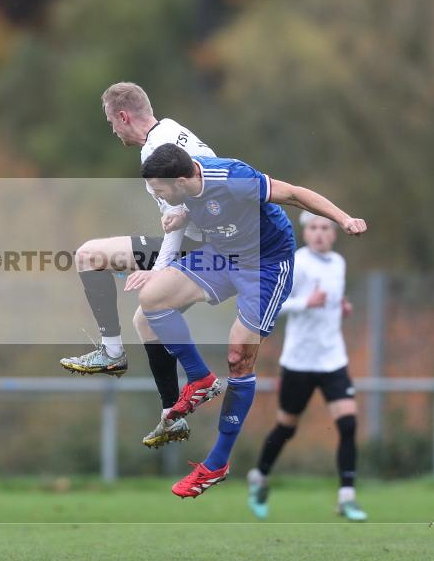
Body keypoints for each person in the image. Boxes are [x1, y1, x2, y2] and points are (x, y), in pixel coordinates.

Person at [137, 143, 367, 498]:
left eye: (160, 190)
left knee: (238, 359)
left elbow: (294, 194)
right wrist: (183, 216)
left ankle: (215, 465)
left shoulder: (233, 177)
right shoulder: (186, 187)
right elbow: (203, 208)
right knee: (152, 298)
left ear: (182, 179)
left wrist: (344, 219)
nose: (157, 196)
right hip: (225, 255)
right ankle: (200, 379)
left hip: (266, 264)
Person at [59, 82, 216, 449]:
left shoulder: (156, 154)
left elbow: (176, 223)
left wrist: (159, 270)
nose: (112, 130)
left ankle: (111, 353)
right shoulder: (174, 132)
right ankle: (171, 415)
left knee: (88, 256)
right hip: (212, 242)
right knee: (146, 319)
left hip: (199, 246)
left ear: (123, 116)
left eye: (111, 122)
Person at [246, 211, 367, 521]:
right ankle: (260, 476)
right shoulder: (297, 262)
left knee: (349, 425)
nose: (319, 233)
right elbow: (275, 303)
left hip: (333, 359)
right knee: (287, 427)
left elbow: (332, 298)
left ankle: (347, 497)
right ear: (305, 231)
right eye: (313, 227)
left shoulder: (339, 264)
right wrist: (305, 303)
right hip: (299, 361)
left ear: (334, 233)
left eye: (325, 227)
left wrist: (341, 306)